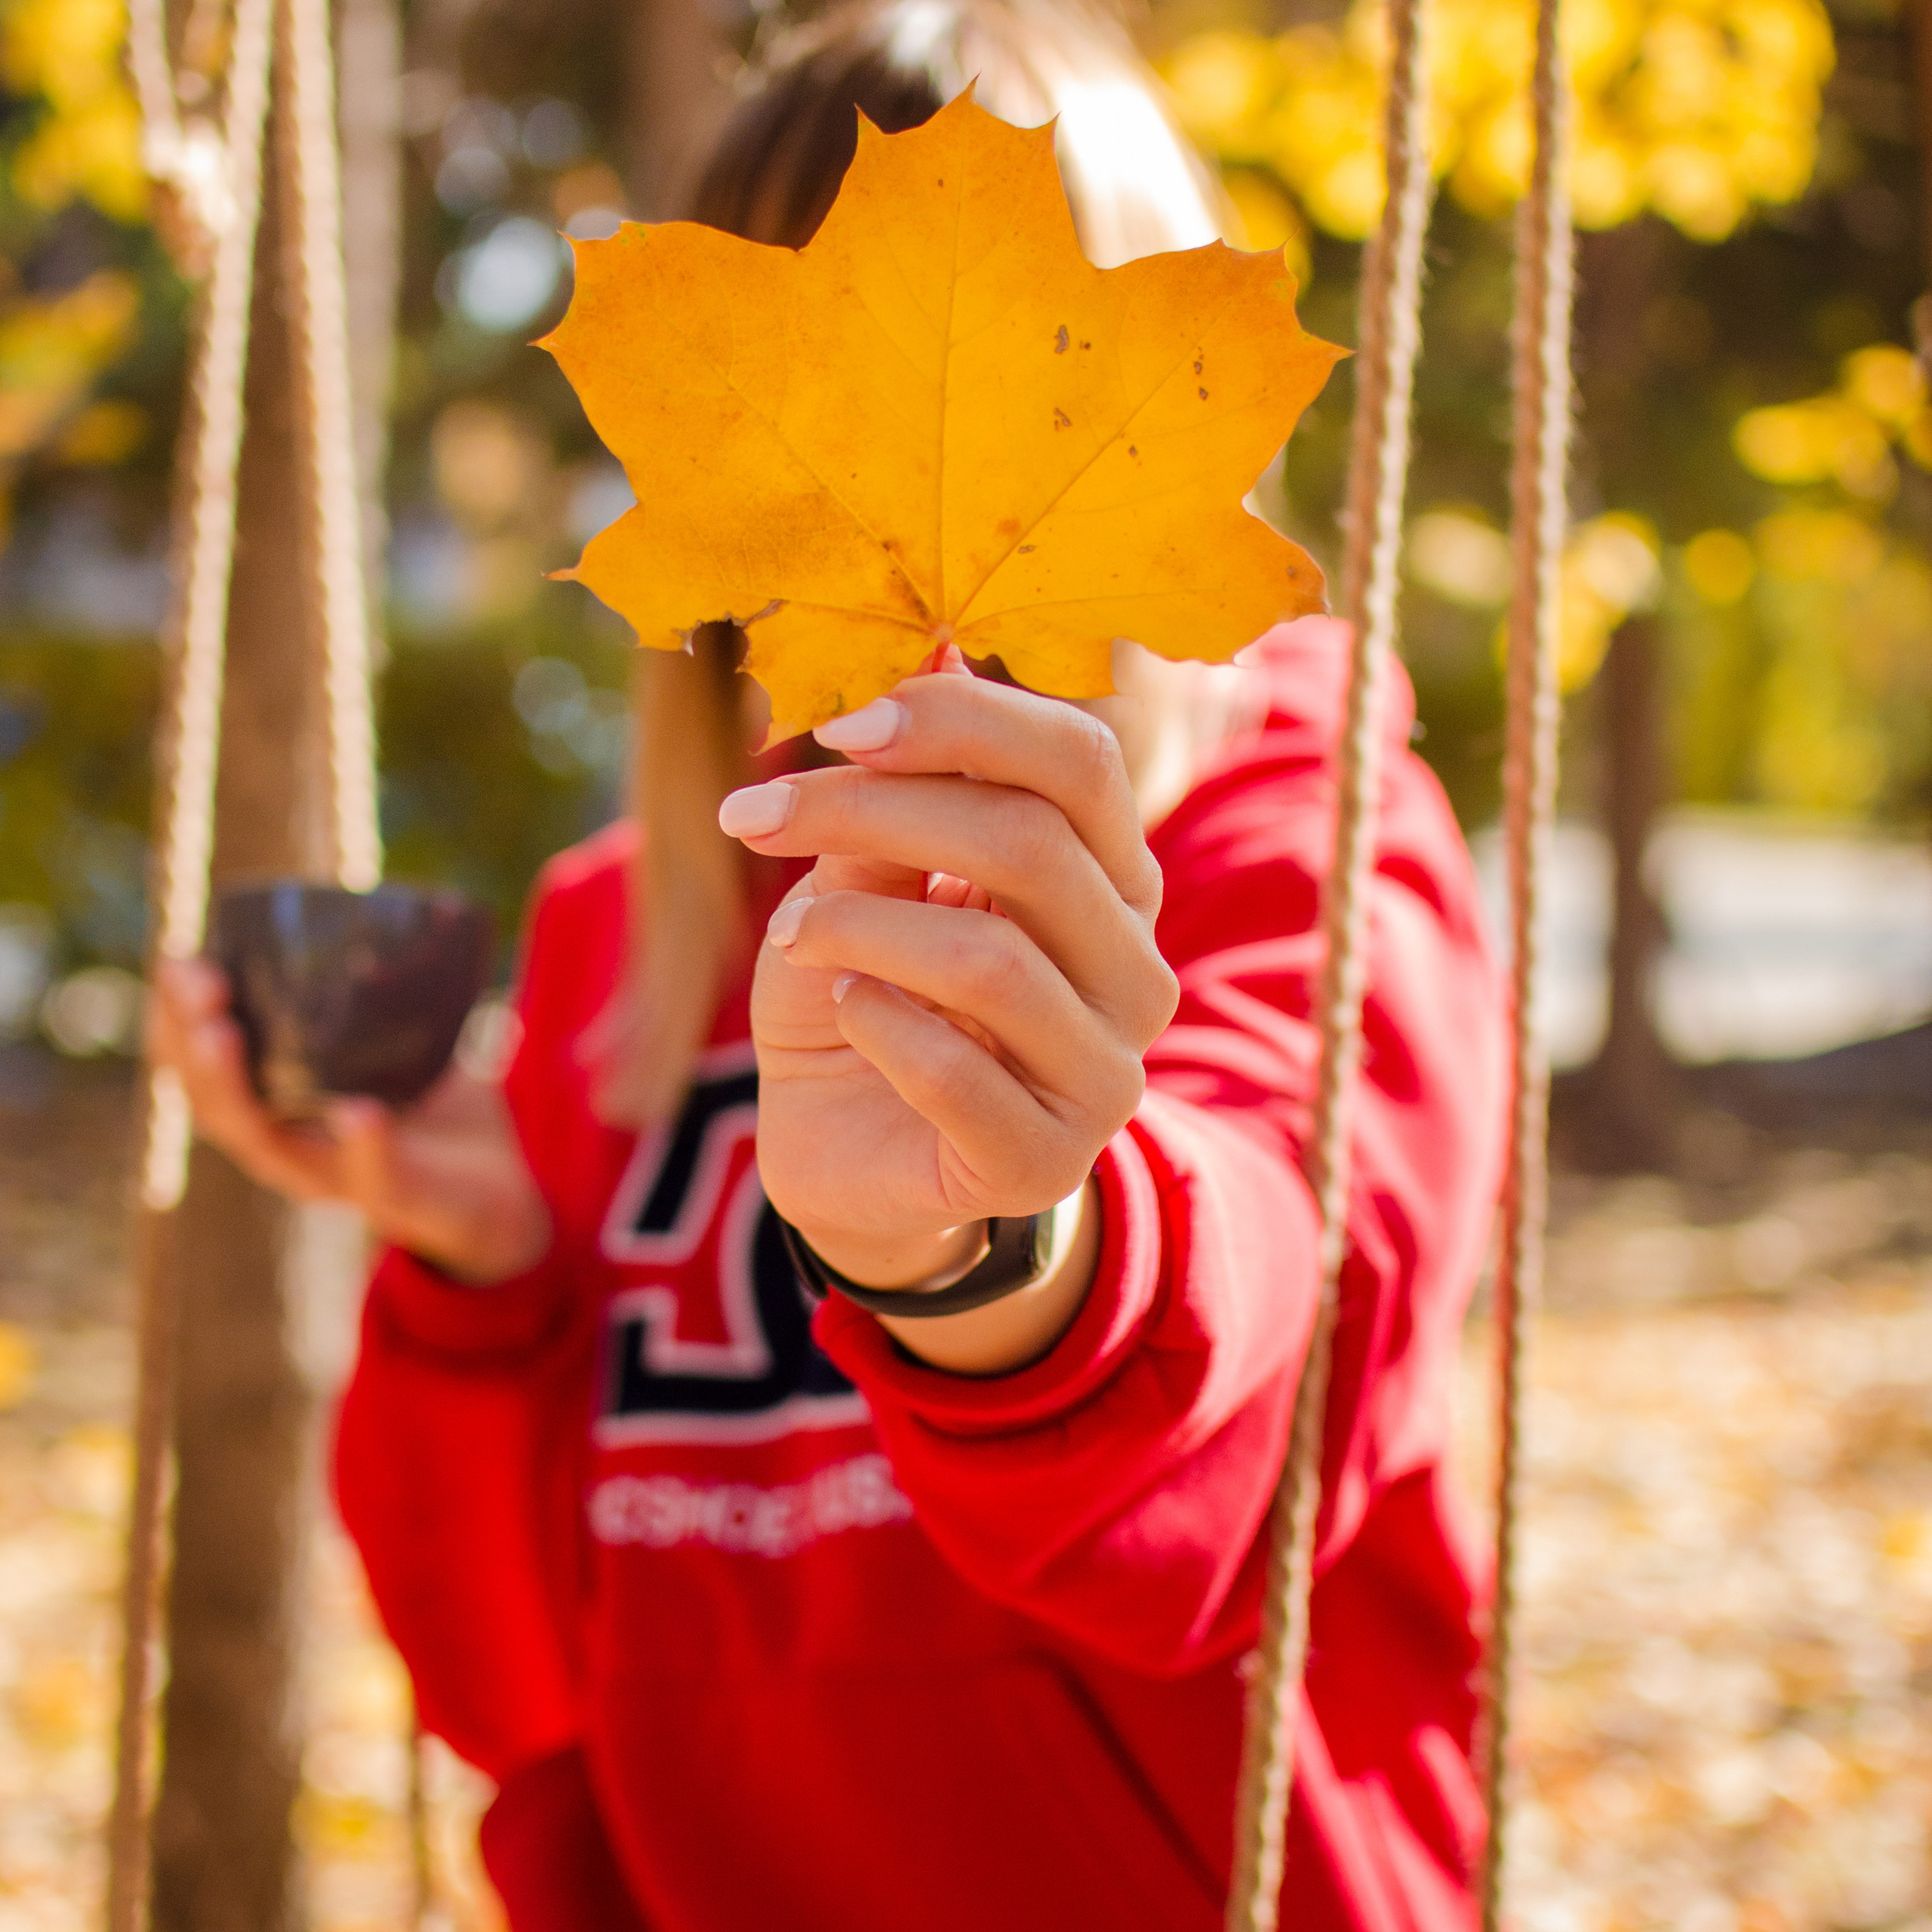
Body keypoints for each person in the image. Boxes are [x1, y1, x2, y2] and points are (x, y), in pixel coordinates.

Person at [151, 2, 1508, 1926]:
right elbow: (515, 1680)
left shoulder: (1297, 818)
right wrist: (487, 1270)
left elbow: (1271, 1363)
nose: (884, 487)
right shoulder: (622, 933)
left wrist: (997, 1250)